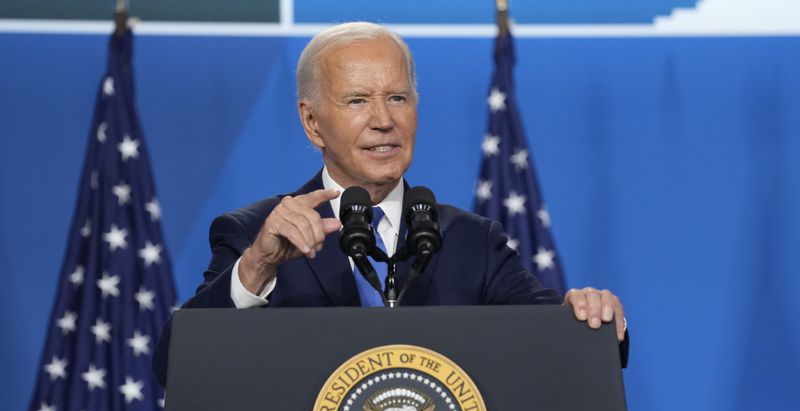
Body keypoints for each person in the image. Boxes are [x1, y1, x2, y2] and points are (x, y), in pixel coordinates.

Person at [153, 22, 627, 386]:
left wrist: (587, 315)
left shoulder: (472, 242)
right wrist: (256, 268)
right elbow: (175, 365)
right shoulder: (254, 235)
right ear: (312, 122)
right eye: (358, 101)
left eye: (398, 97)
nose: (384, 120)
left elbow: (557, 342)